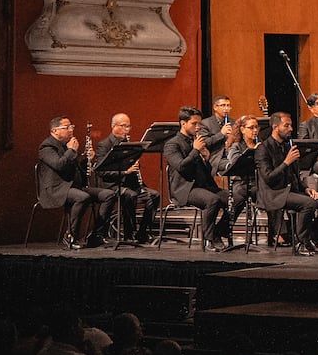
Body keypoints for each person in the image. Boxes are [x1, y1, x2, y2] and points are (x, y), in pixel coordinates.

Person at [257, 112, 318, 255]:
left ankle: (311, 238)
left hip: (292, 191)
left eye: (291, 125)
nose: (291, 129)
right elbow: (268, 178)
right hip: (275, 193)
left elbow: (295, 175)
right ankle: (301, 242)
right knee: (308, 204)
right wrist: (286, 162)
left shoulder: (288, 146)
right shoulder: (263, 149)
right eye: (286, 125)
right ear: (275, 127)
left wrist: (306, 188)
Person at [38, 116, 115, 248]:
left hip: (73, 186)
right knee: (82, 197)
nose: (71, 130)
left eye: (71, 126)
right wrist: (72, 150)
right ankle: (70, 236)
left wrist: (86, 159)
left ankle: (96, 234)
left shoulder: (67, 145)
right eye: (66, 127)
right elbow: (59, 165)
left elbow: (75, 168)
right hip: (56, 189)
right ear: (55, 131)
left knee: (109, 194)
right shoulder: (46, 147)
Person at [163, 105, 231, 251]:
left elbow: (203, 170)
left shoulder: (196, 140)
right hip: (185, 188)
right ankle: (211, 239)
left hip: (203, 185)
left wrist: (206, 159)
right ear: (183, 123)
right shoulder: (172, 144)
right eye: (194, 123)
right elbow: (181, 167)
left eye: (199, 123)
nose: (198, 127)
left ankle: (218, 231)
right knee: (212, 200)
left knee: (235, 198)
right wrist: (195, 151)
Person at [94, 112, 160, 244]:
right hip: (112, 186)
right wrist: (125, 172)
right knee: (130, 195)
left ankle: (142, 233)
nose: (127, 130)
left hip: (130, 185)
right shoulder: (104, 145)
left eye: (129, 126)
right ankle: (129, 235)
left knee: (154, 195)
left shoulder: (128, 144)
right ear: (113, 126)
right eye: (124, 126)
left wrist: (135, 166)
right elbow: (101, 171)